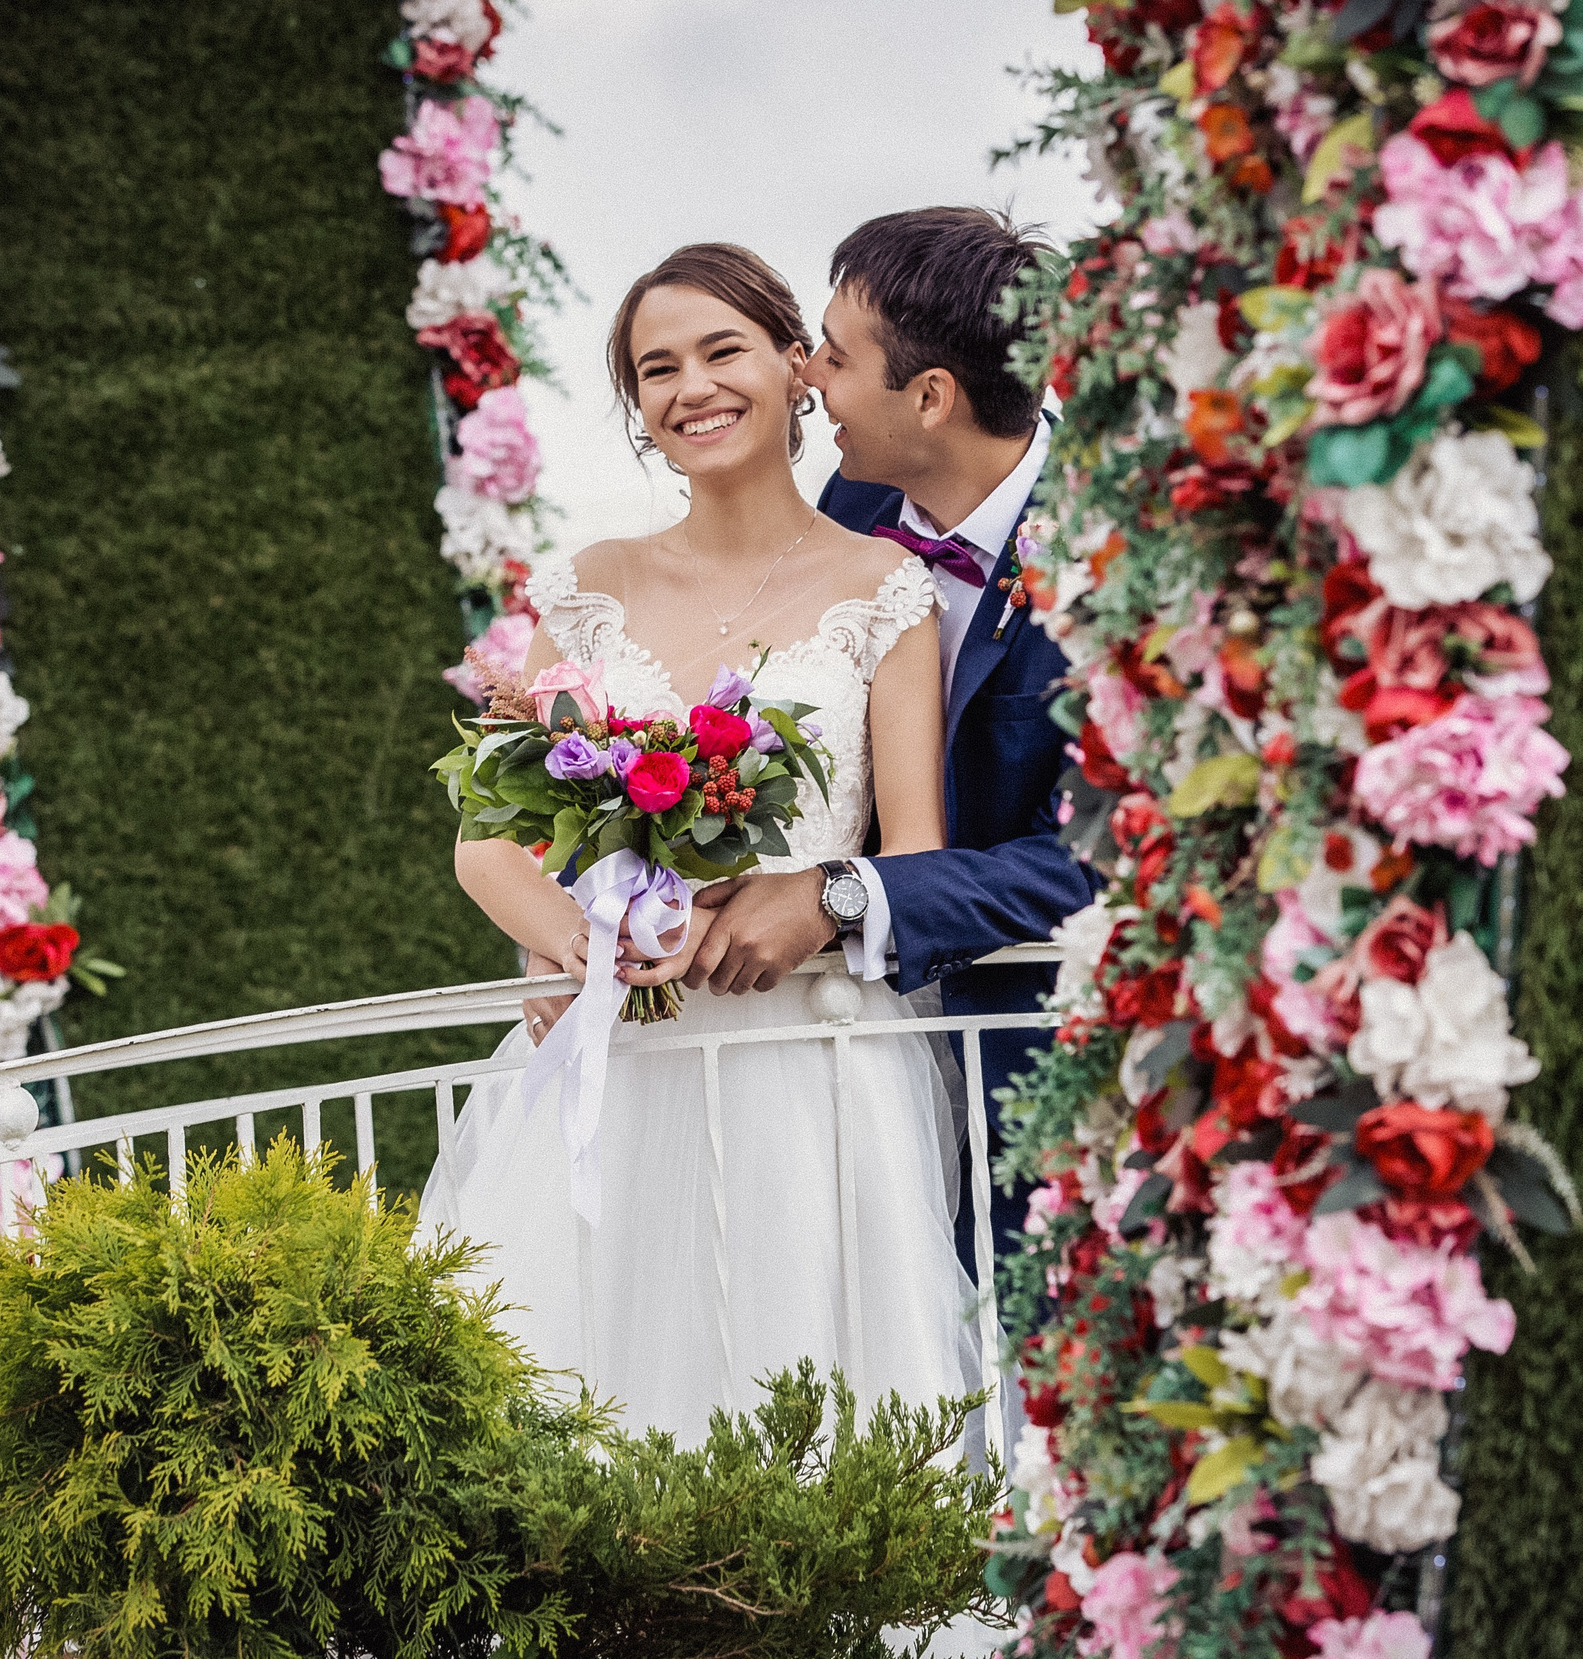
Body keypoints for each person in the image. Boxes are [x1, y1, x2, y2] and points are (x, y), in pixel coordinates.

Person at [424, 243, 977, 1444]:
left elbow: (922, 858)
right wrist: (586, 945)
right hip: (615, 1059)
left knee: (822, 1398)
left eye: (721, 350)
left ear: (793, 367)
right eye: (654, 369)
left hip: (814, 1063)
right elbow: (490, 846)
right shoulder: (588, 587)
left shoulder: (888, 589)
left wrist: (806, 901)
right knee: (598, 1407)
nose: (691, 387)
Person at [684, 207, 1095, 1289]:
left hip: (1040, 1062)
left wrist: (845, 897)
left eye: (834, 351)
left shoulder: (1120, 559)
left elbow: (1099, 863)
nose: (806, 373)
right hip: (827, 1037)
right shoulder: (856, 498)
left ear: (930, 397)